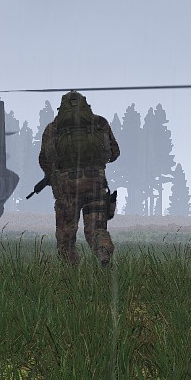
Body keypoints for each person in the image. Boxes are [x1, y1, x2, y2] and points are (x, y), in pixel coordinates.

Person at [36, 90, 119, 264]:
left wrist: (52, 176)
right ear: (86, 106)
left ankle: (71, 271)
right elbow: (114, 153)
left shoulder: (53, 128)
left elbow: (44, 159)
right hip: (95, 182)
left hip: (67, 186)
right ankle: (103, 252)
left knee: (66, 233)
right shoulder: (100, 123)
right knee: (96, 229)